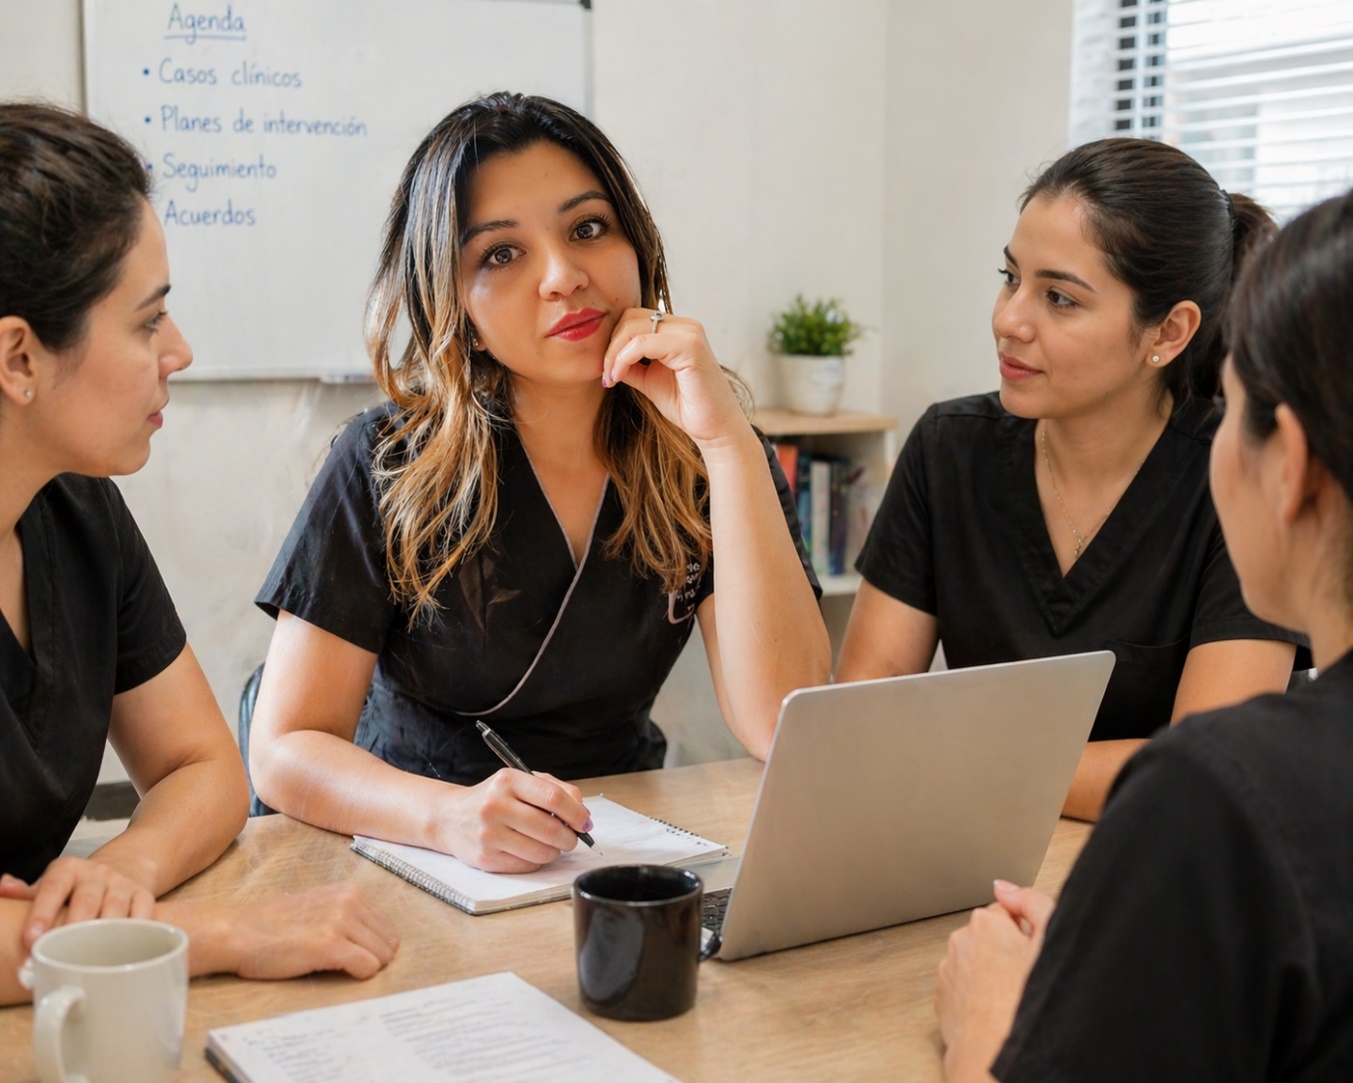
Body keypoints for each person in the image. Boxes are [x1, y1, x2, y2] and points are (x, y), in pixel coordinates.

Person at [248, 93, 829, 872]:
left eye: (587, 228)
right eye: (500, 254)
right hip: (418, 849)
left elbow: (781, 721)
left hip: (618, 847)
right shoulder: (385, 458)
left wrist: (726, 444)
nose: (562, 276)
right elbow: (285, 749)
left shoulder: (706, 452)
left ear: (637, 243)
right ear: (453, 303)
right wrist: (446, 816)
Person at [934, 187, 1353, 1081]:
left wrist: (989, 1018)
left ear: (1288, 465)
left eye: (1228, 405)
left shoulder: (1215, 795)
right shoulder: (954, 446)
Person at [0, 103, 397, 1006]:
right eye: (147, 323)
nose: (177, 351)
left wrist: (123, 872)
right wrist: (215, 936)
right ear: (18, 357)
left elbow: (206, 770)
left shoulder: (78, 508)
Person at [837, 138, 1301, 819]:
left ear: (1168, 333)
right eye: (1010, 277)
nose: (1008, 319)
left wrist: (958, 760)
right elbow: (860, 714)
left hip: (1153, 863)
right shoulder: (949, 448)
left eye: (1058, 298)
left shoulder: (1242, 479)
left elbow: (1209, 771)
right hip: (964, 844)